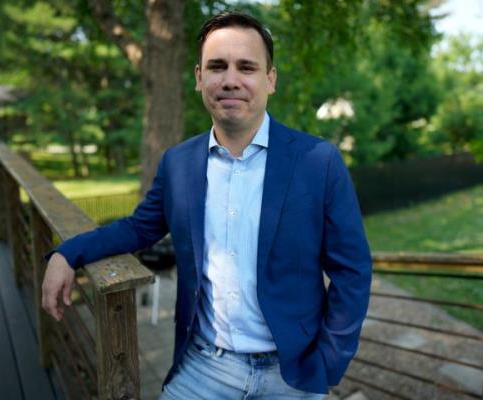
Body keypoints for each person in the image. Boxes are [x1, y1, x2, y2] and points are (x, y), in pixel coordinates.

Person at [42, 11, 372, 399]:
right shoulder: (178, 164)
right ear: (199, 78)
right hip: (204, 368)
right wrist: (68, 253)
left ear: (271, 79)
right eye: (217, 66)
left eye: (246, 67)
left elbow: (352, 271)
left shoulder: (319, 161)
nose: (230, 80)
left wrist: (329, 364)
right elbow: (138, 228)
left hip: (293, 375)